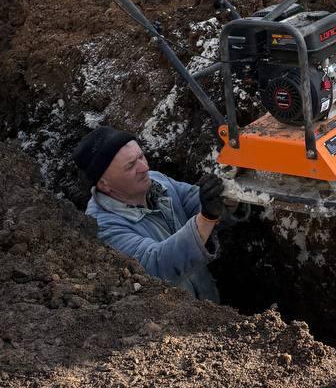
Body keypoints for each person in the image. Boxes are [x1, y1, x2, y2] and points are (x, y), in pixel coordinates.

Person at [75, 125, 226, 302]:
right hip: (173, 322)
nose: (144, 167)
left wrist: (228, 195)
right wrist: (207, 217)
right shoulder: (103, 226)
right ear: (104, 185)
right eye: (131, 165)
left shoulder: (156, 181)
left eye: (141, 156)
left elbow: (197, 202)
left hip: (211, 308)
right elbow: (158, 264)